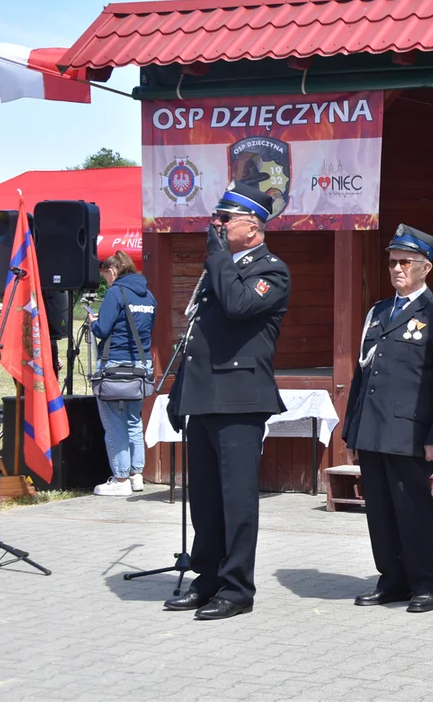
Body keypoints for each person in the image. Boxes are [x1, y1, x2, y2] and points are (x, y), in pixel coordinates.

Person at [162, 180, 292, 621]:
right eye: (216, 218)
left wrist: (218, 256)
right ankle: (209, 578)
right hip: (204, 398)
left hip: (240, 400)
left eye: (224, 219)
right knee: (205, 499)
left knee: (236, 500)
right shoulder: (219, 269)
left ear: (252, 227)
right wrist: (180, 393)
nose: (214, 225)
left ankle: (237, 588)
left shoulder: (271, 271)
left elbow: (238, 306)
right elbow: (196, 338)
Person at [343, 224, 433, 614]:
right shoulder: (378, 311)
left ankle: (427, 584)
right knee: (379, 510)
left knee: (414, 509)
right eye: (393, 262)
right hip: (373, 427)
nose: (397, 269)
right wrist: (352, 430)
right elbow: (362, 374)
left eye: (405, 262)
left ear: (425, 267)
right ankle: (391, 579)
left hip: (410, 430)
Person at [87, 251, 155, 497]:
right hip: (141, 366)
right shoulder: (148, 295)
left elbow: (103, 329)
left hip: (114, 366)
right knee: (134, 421)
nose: (106, 280)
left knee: (115, 424)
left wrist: (93, 321)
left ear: (113, 271)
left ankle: (120, 479)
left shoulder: (116, 293)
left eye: (105, 275)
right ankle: (137, 476)